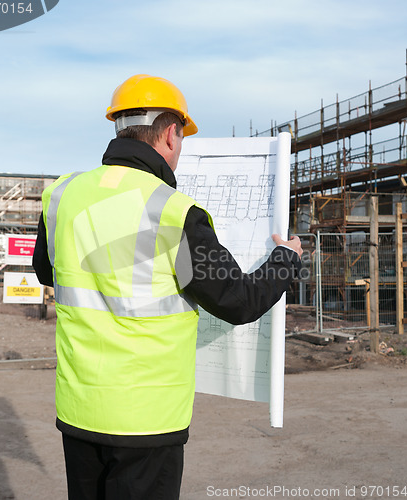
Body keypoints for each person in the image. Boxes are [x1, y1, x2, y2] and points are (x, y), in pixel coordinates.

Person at [33, 74, 302, 500]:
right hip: (146, 423)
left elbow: (50, 273)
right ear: (171, 133)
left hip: (79, 412)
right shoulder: (174, 214)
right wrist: (287, 258)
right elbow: (239, 300)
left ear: (119, 127)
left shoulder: (63, 195)